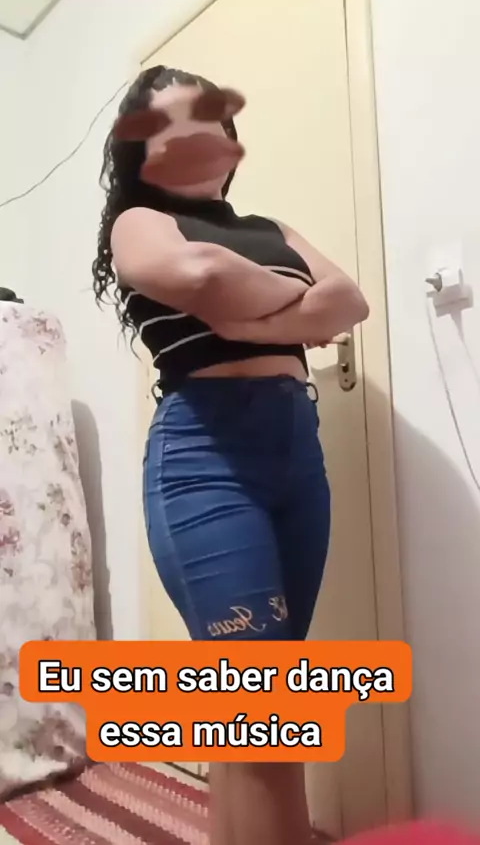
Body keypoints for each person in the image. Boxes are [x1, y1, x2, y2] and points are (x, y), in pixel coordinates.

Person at [92, 65, 369, 845]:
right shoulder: (140, 222)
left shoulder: (273, 227)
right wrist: (301, 310)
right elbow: (199, 272)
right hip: (205, 460)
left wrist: (243, 318)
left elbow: (351, 300)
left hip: (296, 454)